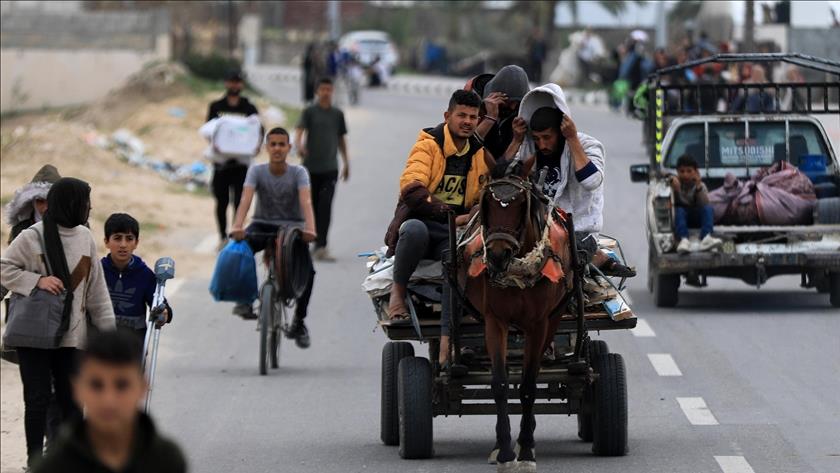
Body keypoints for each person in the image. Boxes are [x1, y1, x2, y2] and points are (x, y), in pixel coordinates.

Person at [1, 177, 116, 468]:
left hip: (72, 337)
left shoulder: (85, 237)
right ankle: (34, 460)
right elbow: (4, 267)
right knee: (37, 400)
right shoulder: (32, 236)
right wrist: (36, 280)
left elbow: (97, 294)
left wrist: (110, 338)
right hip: (36, 335)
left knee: (73, 402)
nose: (89, 208)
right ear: (71, 203)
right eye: (85, 202)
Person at [384, 90, 492, 366]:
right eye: (461, 116)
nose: (467, 122)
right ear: (447, 116)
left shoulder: (479, 153)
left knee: (458, 261)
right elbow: (412, 190)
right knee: (414, 231)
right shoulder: (427, 145)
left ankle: (449, 343)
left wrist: (480, 209)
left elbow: (484, 194)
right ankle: (398, 295)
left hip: (454, 235)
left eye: (473, 117)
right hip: (423, 223)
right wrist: (451, 216)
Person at [512, 84, 635, 277]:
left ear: (561, 131)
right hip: (536, 229)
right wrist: (516, 141)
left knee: (559, 263)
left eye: (547, 137)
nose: (542, 144)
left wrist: (573, 139)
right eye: (537, 138)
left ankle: (599, 258)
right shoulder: (529, 148)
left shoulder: (589, 145)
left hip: (577, 231)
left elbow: (592, 181)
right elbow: (505, 178)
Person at [32, 330, 187, 473]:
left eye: (122, 385)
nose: (109, 401)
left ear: (142, 387)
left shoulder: (167, 461)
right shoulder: (53, 467)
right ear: (77, 389)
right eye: (96, 385)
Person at [230, 127, 317, 348]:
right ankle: (244, 300)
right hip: (262, 224)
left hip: (292, 229)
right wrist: (237, 226)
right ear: (266, 147)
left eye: (282, 144)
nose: (277, 148)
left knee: (309, 272)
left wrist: (311, 230)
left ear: (289, 148)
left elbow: (306, 202)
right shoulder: (256, 171)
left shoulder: (299, 173)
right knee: (240, 251)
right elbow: (245, 200)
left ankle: (298, 321)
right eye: (273, 144)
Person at [294, 77, 350, 262]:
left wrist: (346, 162)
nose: (326, 92)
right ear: (317, 91)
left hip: (330, 168)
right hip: (310, 168)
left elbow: (341, 138)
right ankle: (304, 241)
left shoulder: (337, 114)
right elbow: (300, 130)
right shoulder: (310, 111)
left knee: (325, 207)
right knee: (308, 206)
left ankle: (321, 246)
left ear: (332, 91)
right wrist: (299, 145)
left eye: (329, 89)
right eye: (323, 89)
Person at [205, 69, 261, 249]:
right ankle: (222, 237)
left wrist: (256, 146)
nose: (234, 85)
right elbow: (208, 130)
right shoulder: (216, 106)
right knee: (221, 202)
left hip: (241, 165)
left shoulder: (249, 108)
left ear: (241, 84)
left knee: (239, 202)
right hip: (221, 164)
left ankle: (235, 234)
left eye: (237, 82)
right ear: (226, 83)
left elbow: (258, 131)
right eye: (231, 81)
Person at [101, 213, 173, 341]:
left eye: (129, 239)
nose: (123, 244)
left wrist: (164, 313)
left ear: (136, 243)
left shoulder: (145, 275)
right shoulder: (98, 271)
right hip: (100, 341)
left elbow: (160, 304)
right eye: (117, 238)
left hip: (134, 344)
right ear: (106, 242)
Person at [474, 65, 532, 161]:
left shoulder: (521, 115)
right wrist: (489, 118)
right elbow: (466, 149)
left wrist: (517, 140)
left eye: (517, 103)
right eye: (508, 102)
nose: (513, 107)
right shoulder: (475, 110)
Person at [669, 154, 723, 253]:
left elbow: (704, 204)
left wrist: (698, 187)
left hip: (696, 218)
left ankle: (706, 237)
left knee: (708, 209)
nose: (685, 175)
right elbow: (660, 174)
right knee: (679, 210)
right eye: (682, 171)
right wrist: (671, 179)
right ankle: (684, 240)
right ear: (677, 172)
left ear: (696, 172)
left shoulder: (701, 185)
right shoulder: (674, 183)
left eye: (689, 171)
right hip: (681, 220)